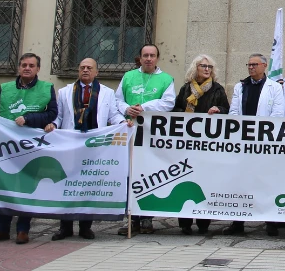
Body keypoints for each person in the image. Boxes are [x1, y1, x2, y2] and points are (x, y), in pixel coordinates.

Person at [0, 53, 58, 245]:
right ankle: (1, 229)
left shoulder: (47, 88)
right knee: (5, 184)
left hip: (30, 146)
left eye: (31, 65)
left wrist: (29, 119)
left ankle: (23, 229)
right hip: (5, 146)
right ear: (19, 67)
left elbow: (52, 114)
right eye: (24, 65)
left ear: (37, 69)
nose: (27, 68)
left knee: (26, 185)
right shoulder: (5, 88)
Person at [45, 58, 124, 241]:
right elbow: (60, 116)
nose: (85, 70)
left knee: (88, 185)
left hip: (94, 146)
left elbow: (113, 115)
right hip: (71, 145)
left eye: (89, 68)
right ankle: (65, 227)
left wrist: (123, 123)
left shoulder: (107, 93)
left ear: (97, 72)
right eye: (82, 68)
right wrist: (52, 125)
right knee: (67, 184)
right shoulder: (65, 92)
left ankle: (85, 227)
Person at [115, 43, 176, 235]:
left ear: (157, 58)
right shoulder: (128, 76)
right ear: (140, 58)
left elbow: (168, 103)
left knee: (148, 174)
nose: (149, 58)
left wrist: (144, 107)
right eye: (145, 55)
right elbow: (117, 100)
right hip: (129, 131)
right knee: (130, 174)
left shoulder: (166, 79)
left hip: (151, 135)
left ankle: (147, 218)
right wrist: (127, 109)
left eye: (152, 55)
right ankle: (131, 219)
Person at [226, 53, 285, 236]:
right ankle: (238, 222)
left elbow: (278, 114)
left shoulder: (275, 88)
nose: (251, 67)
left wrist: (261, 133)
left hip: (264, 143)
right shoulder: (240, 86)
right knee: (241, 182)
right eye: (249, 64)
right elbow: (234, 112)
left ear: (264, 66)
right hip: (243, 142)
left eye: (254, 64)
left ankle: (271, 222)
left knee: (266, 182)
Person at [171, 55, 230, 235]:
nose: (207, 69)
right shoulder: (185, 89)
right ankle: (185, 222)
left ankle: (204, 222)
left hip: (208, 144)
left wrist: (218, 110)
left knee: (205, 182)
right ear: (195, 68)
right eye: (203, 66)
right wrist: (185, 112)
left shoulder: (217, 89)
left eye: (210, 67)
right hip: (187, 143)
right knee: (185, 180)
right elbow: (175, 110)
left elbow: (227, 110)